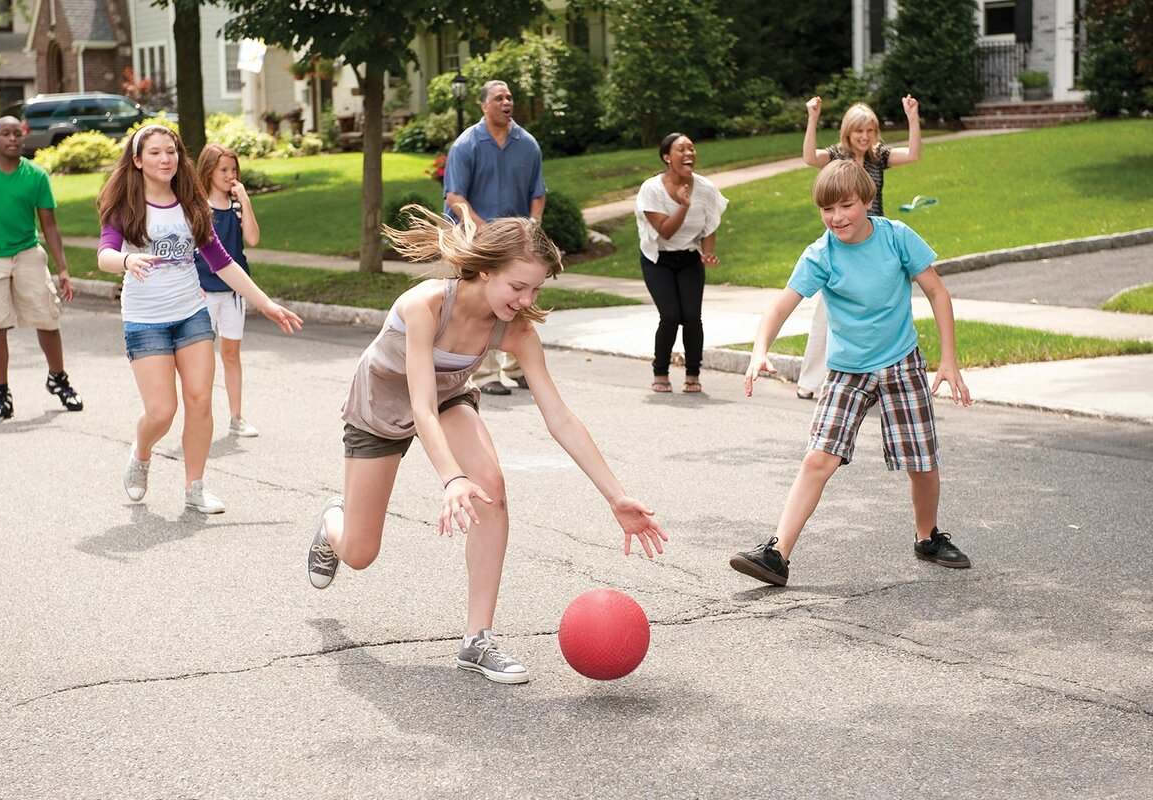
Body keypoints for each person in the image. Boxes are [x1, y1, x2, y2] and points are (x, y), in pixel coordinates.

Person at [305, 206, 668, 685]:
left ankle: (478, 638)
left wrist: (615, 495)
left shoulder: (515, 329)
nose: (526, 299)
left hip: (449, 396)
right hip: (382, 406)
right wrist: (450, 477)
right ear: (484, 269)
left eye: (536, 288)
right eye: (518, 286)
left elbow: (558, 417)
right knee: (359, 552)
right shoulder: (425, 305)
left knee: (490, 486)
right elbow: (420, 405)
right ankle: (335, 521)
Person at [729, 160, 972, 587]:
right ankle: (777, 554)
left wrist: (948, 359)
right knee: (818, 457)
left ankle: (927, 537)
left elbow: (936, 290)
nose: (837, 217)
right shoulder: (820, 254)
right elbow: (781, 305)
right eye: (827, 209)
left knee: (922, 461)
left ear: (867, 201)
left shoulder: (896, 236)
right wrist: (759, 350)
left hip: (901, 361)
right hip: (848, 371)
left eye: (846, 205)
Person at [96, 125, 302, 513]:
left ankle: (195, 486)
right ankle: (141, 453)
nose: (165, 159)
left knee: (201, 400)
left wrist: (266, 303)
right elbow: (104, 255)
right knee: (161, 412)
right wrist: (127, 259)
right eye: (154, 153)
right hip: (145, 320)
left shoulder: (191, 205)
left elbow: (222, 262)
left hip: (191, 313)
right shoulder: (126, 206)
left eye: (171, 151)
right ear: (137, 161)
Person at [0, 116, 83, 421]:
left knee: (47, 318)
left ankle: (58, 379)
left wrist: (62, 268)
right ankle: (1, 396)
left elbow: (49, 226)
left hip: (27, 253)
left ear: (23, 139)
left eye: (17, 134)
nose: (12, 138)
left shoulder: (36, 175)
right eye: (5, 133)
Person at [795, 95, 923, 401]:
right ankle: (812, 381)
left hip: (877, 244)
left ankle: (877, 378)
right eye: (858, 131)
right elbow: (810, 158)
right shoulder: (838, 156)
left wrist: (913, 117)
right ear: (847, 133)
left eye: (869, 131)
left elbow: (914, 154)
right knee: (826, 317)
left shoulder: (879, 157)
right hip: (845, 243)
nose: (864, 137)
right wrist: (812, 118)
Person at [443, 79, 546, 396]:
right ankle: (484, 374)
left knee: (520, 300)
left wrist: (533, 228)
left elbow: (537, 194)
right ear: (484, 106)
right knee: (479, 303)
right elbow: (454, 198)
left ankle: (516, 368)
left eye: (510, 97)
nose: (506, 102)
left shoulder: (527, 144)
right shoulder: (466, 145)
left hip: (516, 244)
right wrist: (487, 233)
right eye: (499, 97)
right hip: (474, 239)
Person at [634, 133, 727, 393]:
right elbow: (665, 231)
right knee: (671, 315)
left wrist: (706, 253)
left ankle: (693, 374)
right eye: (681, 149)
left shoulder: (706, 188)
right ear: (667, 157)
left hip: (688, 257)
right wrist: (684, 206)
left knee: (692, 317)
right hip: (657, 259)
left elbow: (710, 227)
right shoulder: (651, 189)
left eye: (692, 148)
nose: (689, 153)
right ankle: (660, 372)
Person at [194, 143, 262, 438]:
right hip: (204, 292)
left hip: (233, 292)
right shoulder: (197, 208)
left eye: (233, 169)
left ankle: (236, 418)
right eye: (223, 169)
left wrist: (245, 201)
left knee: (231, 354)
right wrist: (194, 286)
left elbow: (253, 238)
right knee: (202, 357)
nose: (230, 175)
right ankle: (201, 417)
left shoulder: (235, 206)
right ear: (209, 171)